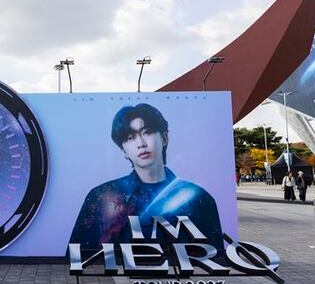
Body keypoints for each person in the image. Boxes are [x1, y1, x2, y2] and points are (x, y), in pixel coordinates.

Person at [69, 103, 223, 253]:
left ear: (164, 138)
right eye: (130, 137)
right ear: (123, 150)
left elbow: (213, 258)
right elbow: (76, 257)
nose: (141, 144)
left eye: (147, 132)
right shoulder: (101, 196)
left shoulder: (198, 198)